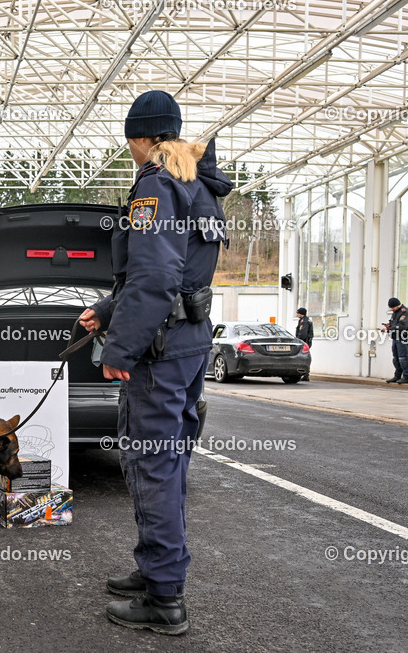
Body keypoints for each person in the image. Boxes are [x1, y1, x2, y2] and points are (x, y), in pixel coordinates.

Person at [78, 90, 232, 635]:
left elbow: (154, 276)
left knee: (152, 464)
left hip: (160, 351)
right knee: (167, 462)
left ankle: (165, 597)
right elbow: (180, 273)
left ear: (140, 137)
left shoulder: (155, 184)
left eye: (129, 141)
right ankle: (154, 570)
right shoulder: (198, 185)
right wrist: (106, 311)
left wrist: (120, 348)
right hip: (189, 344)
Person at [384, 297, 408, 384]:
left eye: (392, 307)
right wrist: (389, 325)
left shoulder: (405, 312)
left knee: (403, 358)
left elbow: (403, 326)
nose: (392, 309)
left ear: (397, 305)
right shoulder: (395, 313)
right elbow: (395, 324)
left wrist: (389, 329)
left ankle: (405, 377)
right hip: (395, 338)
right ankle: (397, 375)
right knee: (396, 358)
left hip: (403, 338)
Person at [295, 308, 313, 381]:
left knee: (303, 357)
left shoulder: (304, 321)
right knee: (304, 357)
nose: (297, 314)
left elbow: (303, 333)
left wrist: (298, 340)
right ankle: (305, 375)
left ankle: (305, 375)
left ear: (301, 313)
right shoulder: (306, 320)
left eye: (298, 313)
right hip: (307, 341)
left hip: (304, 341)